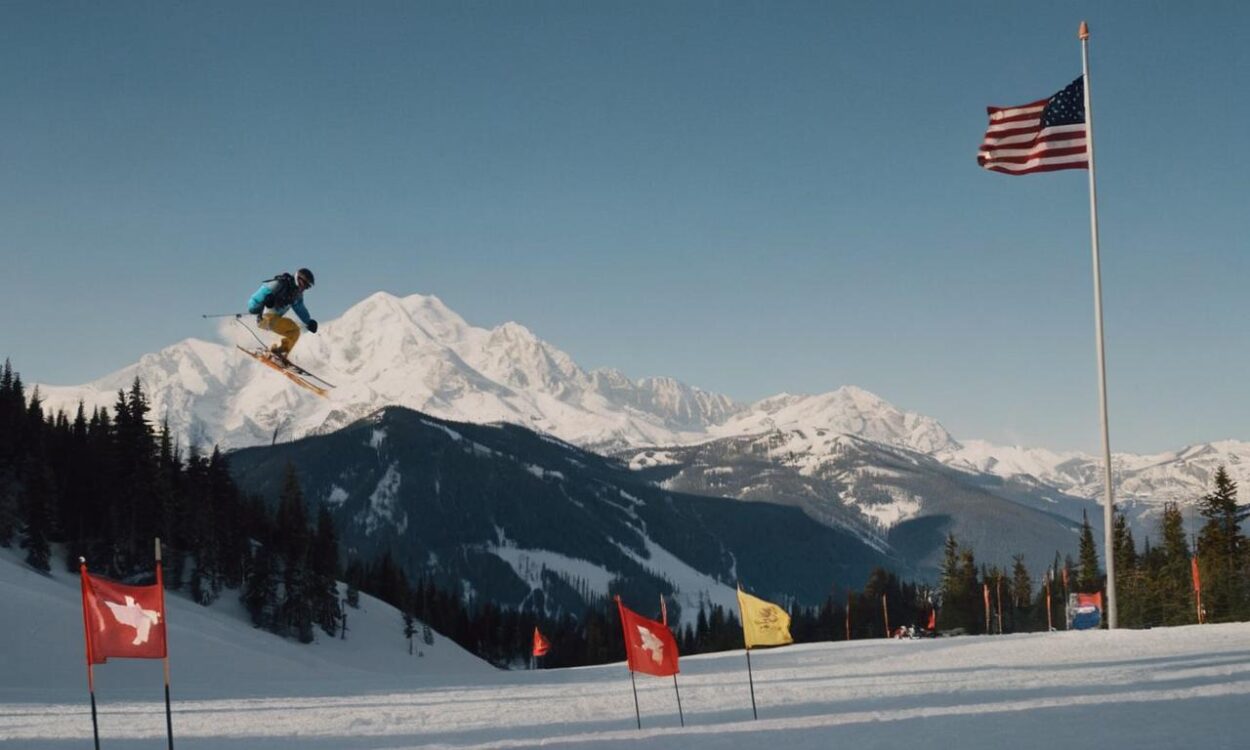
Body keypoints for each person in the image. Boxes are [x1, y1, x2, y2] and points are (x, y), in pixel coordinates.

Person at [247, 268, 318, 360]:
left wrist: (308, 321)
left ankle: (279, 352)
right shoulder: (279, 284)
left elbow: (300, 308)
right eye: (304, 284)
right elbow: (256, 297)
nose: (304, 288)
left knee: (295, 332)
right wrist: (254, 308)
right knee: (291, 326)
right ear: (298, 278)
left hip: (274, 319)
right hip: (264, 318)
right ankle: (277, 352)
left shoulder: (296, 294)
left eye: (307, 287)